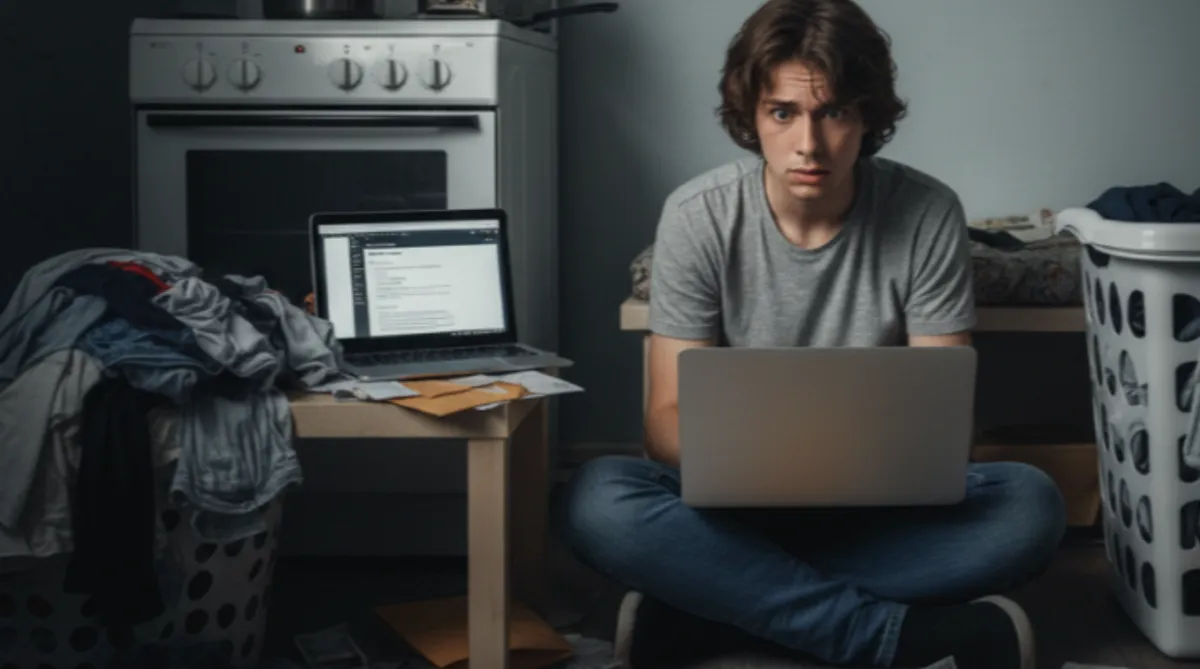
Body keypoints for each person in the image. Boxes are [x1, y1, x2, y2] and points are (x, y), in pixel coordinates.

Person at [557, 0, 1067, 667]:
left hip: (878, 511)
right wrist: (767, 463)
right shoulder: (697, 216)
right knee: (598, 499)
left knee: (1030, 506)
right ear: (752, 116)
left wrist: (857, 465)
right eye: (784, 113)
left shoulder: (927, 211)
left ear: (867, 118)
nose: (809, 143)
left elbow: (941, 419)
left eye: (834, 112)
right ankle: (886, 636)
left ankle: (715, 611)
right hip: (731, 511)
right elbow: (663, 423)